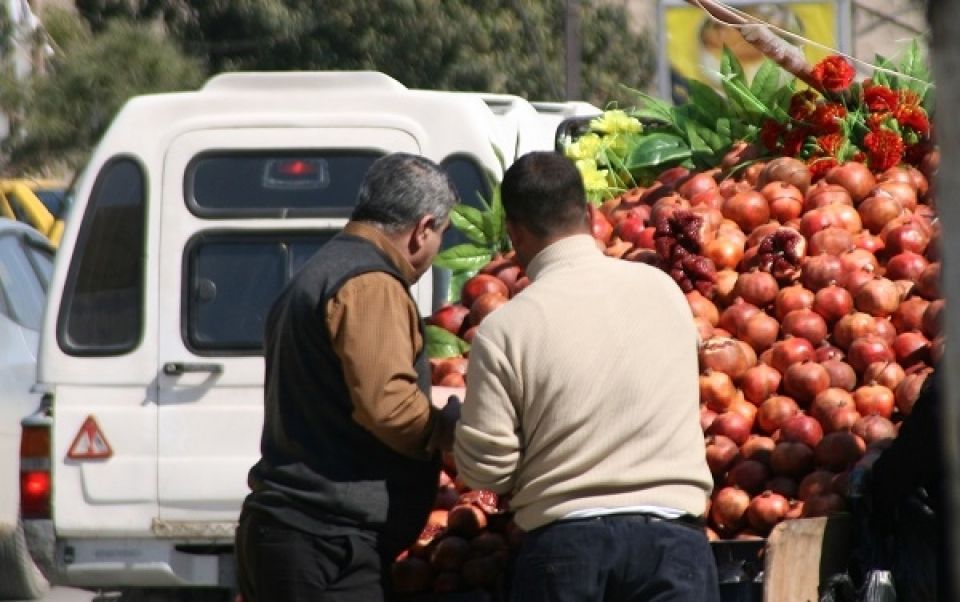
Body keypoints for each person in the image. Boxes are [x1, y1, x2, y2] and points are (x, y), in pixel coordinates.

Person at [453, 151, 720, 602]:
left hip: (566, 553)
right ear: (592, 215)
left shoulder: (504, 330)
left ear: (514, 233)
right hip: (674, 548)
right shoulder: (664, 291)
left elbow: (486, 470)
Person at [235, 152, 462, 602]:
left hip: (295, 533)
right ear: (422, 229)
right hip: (326, 542)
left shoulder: (320, 271)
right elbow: (389, 406)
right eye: (442, 234)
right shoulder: (370, 285)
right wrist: (446, 431)